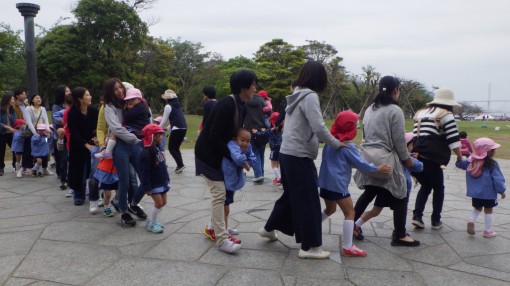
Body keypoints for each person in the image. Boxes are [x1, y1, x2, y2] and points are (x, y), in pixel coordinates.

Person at [259, 61, 343, 259]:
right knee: (309, 202)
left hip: (287, 155)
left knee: (290, 196)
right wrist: (336, 143)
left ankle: (268, 229)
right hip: (298, 156)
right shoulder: (310, 96)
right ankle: (310, 247)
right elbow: (319, 127)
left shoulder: (296, 94)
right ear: (319, 78)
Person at [353, 75, 420, 247]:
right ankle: (399, 235)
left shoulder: (370, 109)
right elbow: (399, 140)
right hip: (387, 158)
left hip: (369, 158)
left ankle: (351, 224)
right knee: (401, 195)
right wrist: (407, 160)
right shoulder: (394, 110)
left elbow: (365, 135)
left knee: (369, 192)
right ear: (396, 90)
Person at [195, 70, 257, 254]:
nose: (255, 87)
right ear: (243, 87)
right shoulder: (227, 105)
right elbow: (214, 137)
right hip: (208, 155)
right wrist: (236, 159)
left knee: (224, 193)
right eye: (253, 84)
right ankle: (221, 239)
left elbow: (235, 135)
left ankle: (213, 227)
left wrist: (244, 155)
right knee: (219, 195)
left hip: (220, 155)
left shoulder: (242, 105)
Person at [318, 110, 392, 257]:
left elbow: (340, 161)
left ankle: (310, 227)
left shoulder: (330, 142)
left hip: (325, 182)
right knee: (350, 213)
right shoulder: (348, 146)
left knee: (330, 209)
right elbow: (361, 165)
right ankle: (348, 246)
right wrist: (378, 168)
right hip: (337, 185)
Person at [354, 132, 423, 240]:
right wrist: (413, 158)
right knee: (400, 210)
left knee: (375, 211)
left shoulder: (391, 154)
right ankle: (400, 233)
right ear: (404, 147)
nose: (413, 147)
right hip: (398, 189)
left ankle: (356, 225)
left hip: (386, 187)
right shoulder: (406, 158)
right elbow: (419, 167)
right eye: (411, 145)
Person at [411, 88, 463, 230]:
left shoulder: (420, 113)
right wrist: (459, 157)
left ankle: (417, 216)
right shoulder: (446, 115)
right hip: (432, 159)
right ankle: (435, 220)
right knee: (439, 188)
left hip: (416, 157)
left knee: (426, 186)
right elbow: (453, 139)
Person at [103, 78, 147, 227]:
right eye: (116, 89)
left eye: (120, 87)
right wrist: (135, 139)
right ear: (111, 92)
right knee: (125, 182)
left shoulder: (129, 101)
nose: (120, 91)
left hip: (135, 145)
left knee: (145, 178)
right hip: (122, 146)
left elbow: (144, 117)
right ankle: (124, 212)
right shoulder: (109, 107)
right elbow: (116, 128)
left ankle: (133, 204)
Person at [204, 128, 255, 242]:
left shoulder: (244, 146)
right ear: (235, 138)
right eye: (242, 140)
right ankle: (223, 231)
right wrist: (245, 164)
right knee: (224, 208)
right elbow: (238, 158)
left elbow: (252, 157)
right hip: (225, 180)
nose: (245, 143)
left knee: (225, 207)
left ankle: (211, 227)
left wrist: (247, 161)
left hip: (232, 181)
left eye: (248, 141)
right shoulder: (232, 145)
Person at [456, 138, 506, 238]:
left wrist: (459, 157)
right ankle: (488, 231)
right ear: (489, 151)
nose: (494, 151)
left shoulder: (470, 161)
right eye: (493, 149)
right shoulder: (492, 164)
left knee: (477, 208)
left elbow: (460, 164)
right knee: (488, 210)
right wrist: (501, 191)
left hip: (475, 193)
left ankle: (471, 219)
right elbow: (498, 179)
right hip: (489, 194)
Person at [95, 88, 151, 159]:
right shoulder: (144, 106)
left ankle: (108, 152)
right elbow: (149, 115)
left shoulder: (139, 107)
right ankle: (106, 148)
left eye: (133, 99)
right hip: (139, 128)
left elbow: (126, 116)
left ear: (139, 99)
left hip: (137, 129)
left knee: (115, 132)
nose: (130, 102)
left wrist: (126, 109)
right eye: (129, 100)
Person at [67, 87, 99, 206]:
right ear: (80, 99)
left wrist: (96, 138)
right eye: (87, 95)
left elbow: (98, 128)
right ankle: (79, 194)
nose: (90, 97)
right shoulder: (72, 113)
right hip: (78, 146)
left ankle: (94, 194)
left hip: (92, 144)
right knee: (79, 171)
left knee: (93, 171)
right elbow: (73, 132)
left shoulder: (94, 111)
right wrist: (85, 144)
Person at [140, 124, 171, 233]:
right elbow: (145, 173)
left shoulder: (159, 149)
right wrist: (147, 187)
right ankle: (152, 224)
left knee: (164, 202)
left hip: (162, 181)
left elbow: (163, 165)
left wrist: (167, 178)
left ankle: (151, 220)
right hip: (153, 183)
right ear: (153, 136)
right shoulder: (146, 154)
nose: (162, 137)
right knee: (158, 203)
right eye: (160, 135)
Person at [23, 94, 53, 176]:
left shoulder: (43, 109)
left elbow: (46, 120)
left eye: (40, 98)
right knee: (33, 149)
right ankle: (31, 168)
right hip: (33, 133)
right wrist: (36, 134)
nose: (39, 99)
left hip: (44, 134)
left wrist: (47, 131)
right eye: (36, 98)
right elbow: (29, 122)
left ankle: (45, 167)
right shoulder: (28, 109)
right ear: (32, 100)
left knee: (45, 148)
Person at [159, 89, 187, 174]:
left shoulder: (168, 106)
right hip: (183, 128)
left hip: (177, 129)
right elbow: (175, 120)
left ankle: (180, 165)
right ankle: (180, 165)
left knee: (171, 148)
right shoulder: (178, 105)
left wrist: (157, 129)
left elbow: (164, 120)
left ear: (167, 98)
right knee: (176, 148)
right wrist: (166, 129)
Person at [244, 88, 268, 183]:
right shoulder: (262, 100)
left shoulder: (245, 101)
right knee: (261, 153)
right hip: (262, 129)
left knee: (254, 152)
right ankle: (261, 173)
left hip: (251, 129)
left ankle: (258, 175)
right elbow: (268, 113)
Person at [52, 85, 71, 189]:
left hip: (70, 134)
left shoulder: (73, 104)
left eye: (69, 90)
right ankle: (63, 179)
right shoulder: (56, 107)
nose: (69, 92)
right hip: (60, 135)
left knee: (68, 158)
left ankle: (68, 178)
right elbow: (56, 120)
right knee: (62, 158)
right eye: (66, 91)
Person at [0, 92, 17, 175]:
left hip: (11, 133)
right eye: (12, 99)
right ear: (8, 99)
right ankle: (1, 168)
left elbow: (15, 122)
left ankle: (15, 165)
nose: (14, 100)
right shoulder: (1, 109)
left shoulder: (12, 110)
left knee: (15, 149)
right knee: (1, 151)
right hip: (2, 133)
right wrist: (7, 127)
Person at [268, 112, 283, 185]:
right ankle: (279, 177)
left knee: (273, 164)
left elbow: (264, 133)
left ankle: (278, 178)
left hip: (274, 149)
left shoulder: (271, 130)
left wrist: (256, 132)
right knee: (278, 164)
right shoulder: (280, 130)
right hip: (281, 148)